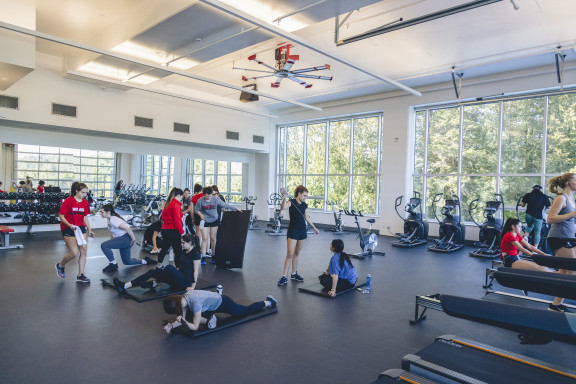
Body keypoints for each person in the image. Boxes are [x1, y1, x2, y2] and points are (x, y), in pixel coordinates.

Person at [500, 217, 567, 312]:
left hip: (515, 258)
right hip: (509, 260)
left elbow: (530, 246)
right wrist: (535, 256)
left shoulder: (517, 235)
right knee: (538, 268)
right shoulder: (509, 235)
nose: (521, 228)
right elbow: (522, 249)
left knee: (541, 267)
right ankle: (558, 276)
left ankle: (557, 274)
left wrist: (543, 254)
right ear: (513, 226)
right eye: (519, 226)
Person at [113, 233, 202, 294]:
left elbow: (195, 271)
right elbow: (180, 268)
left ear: (190, 243)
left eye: (183, 243)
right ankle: (125, 286)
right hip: (178, 278)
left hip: (184, 283)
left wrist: (193, 287)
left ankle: (154, 283)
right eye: (181, 243)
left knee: (169, 267)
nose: (181, 244)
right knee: (152, 272)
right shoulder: (183, 252)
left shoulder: (195, 254)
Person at [162, 290, 277, 334]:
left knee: (245, 311)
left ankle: (268, 302)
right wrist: (171, 325)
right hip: (210, 303)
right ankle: (210, 319)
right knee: (190, 316)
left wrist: (183, 321)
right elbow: (182, 317)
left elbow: (195, 327)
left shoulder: (195, 303)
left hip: (223, 303)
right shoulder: (184, 298)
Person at [277, 185, 319, 286]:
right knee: (290, 254)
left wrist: (314, 227)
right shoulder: (291, 202)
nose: (305, 197)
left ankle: (294, 274)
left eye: (306, 196)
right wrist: (284, 198)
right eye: (304, 195)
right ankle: (284, 276)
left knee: (297, 253)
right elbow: (282, 208)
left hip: (302, 231)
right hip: (293, 230)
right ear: (299, 194)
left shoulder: (304, 205)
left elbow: (307, 217)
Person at [546, 173, 576, 312]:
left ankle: (555, 305)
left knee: (564, 272)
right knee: (572, 273)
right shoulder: (561, 198)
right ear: (568, 183)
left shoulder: (572, 199)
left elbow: (571, 221)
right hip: (559, 238)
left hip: (568, 237)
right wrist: (573, 213)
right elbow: (550, 219)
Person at [55, 182, 94, 283]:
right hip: (68, 227)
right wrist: (69, 225)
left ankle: (80, 275)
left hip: (80, 227)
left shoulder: (85, 203)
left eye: (86, 193)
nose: (84, 195)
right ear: (76, 191)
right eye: (82, 192)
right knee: (74, 253)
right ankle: (60, 265)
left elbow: (85, 217)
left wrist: (89, 229)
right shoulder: (68, 201)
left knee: (84, 251)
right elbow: (61, 216)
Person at [100, 204, 157, 272]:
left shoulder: (113, 219)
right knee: (127, 261)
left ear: (108, 212)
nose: (101, 214)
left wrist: (133, 239)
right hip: (122, 239)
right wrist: (112, 241)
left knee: (104, 245)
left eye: (102, 212)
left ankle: (113, 264)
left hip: (125, 239)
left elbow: (128, 228)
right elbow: (114, 232)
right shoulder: (109, 219)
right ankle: (145, 261)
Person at [194, 186, 241, 264]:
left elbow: (225, 205)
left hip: (214, 219)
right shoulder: (200, 201)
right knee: (204, 238)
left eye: (210, 196)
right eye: (207, 196)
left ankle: (214, 255)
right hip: (204, 220)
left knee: (213, 238)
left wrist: (235, 209)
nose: (208, 197)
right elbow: (196, 210)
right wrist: (200, 215)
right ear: (204, 194)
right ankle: (203, 256)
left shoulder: (215, 199)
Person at [156, 188, 185, 267]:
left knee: (164, 249)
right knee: (178, 251)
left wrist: (182, 215)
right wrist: (182, 232)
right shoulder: (175, 205)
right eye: (181, 197)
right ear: (178, 196)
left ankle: (158, 266)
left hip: (165, 230)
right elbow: (177, 221)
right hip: (173, 231)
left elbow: (175, 214)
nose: (181, 199)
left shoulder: (167, 203)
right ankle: (178, 268)